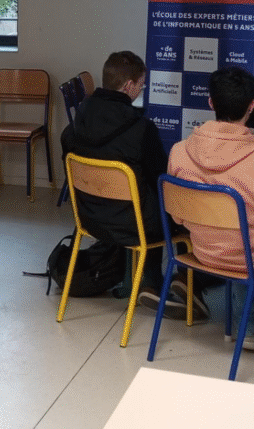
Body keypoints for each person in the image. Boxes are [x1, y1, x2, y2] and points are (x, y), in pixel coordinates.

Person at [61, 50, 206, 319]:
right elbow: (162, 180)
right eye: (141, 84)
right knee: (174, 207)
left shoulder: (76, 122)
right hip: (132, 224)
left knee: (146, 201)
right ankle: (186, 280)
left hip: (88, 219)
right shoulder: (141, 129)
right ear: (128, 86)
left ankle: (149, 283)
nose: (141, 90)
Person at [168, 66, 254, 343]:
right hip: (247, 258)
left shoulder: (178, 152)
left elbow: (177, 217)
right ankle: (248, 326)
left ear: (210, 103)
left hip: (203, 254)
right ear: (251, 106)